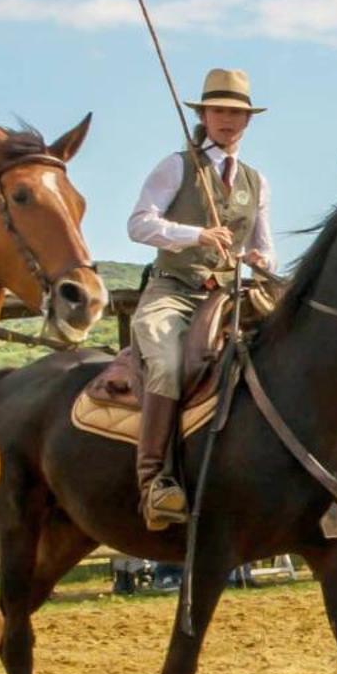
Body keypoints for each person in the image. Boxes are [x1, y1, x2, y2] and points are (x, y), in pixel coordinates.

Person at [127, 68, 276, 528]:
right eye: (219, 111)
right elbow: (138, 224)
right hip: (174, 291)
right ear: (204, 115)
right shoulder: (176, 165)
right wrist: (195, 234)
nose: (228, 120)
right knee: (169, 364)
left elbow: (266, 247)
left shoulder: (256, 181)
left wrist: (258, 258)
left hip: (230, 295)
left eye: (236, 112)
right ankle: (155, 480)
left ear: (248, 121)